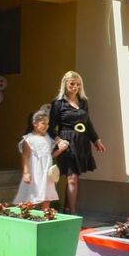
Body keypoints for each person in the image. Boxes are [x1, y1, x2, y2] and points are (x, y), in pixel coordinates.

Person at [49, 71, 105, 214]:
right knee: (72, 177)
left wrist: (96, 140)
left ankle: (66, 209)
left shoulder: (83, 102)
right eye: (72, 84)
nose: (75, 87)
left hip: (81, 142)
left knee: (72, 177)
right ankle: (73, 214)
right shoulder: (58, 104)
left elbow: (88, 123)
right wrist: (58, 141)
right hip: (67, 143)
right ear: (65, 84)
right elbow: (50, 127)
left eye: (78, 84)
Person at [15, 105, 66, 211]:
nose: (46, 126)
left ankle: (46, 215)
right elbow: (25, 157)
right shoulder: (29, 139)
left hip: (47, 173)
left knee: (47, 197)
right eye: (43, 123)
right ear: (35, 123)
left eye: (47, 124)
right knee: (33, 196)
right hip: (35, 173)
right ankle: (27, 215)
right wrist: (26, 173)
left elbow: (50, 155)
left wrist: (60, 150)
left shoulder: (48, 138)